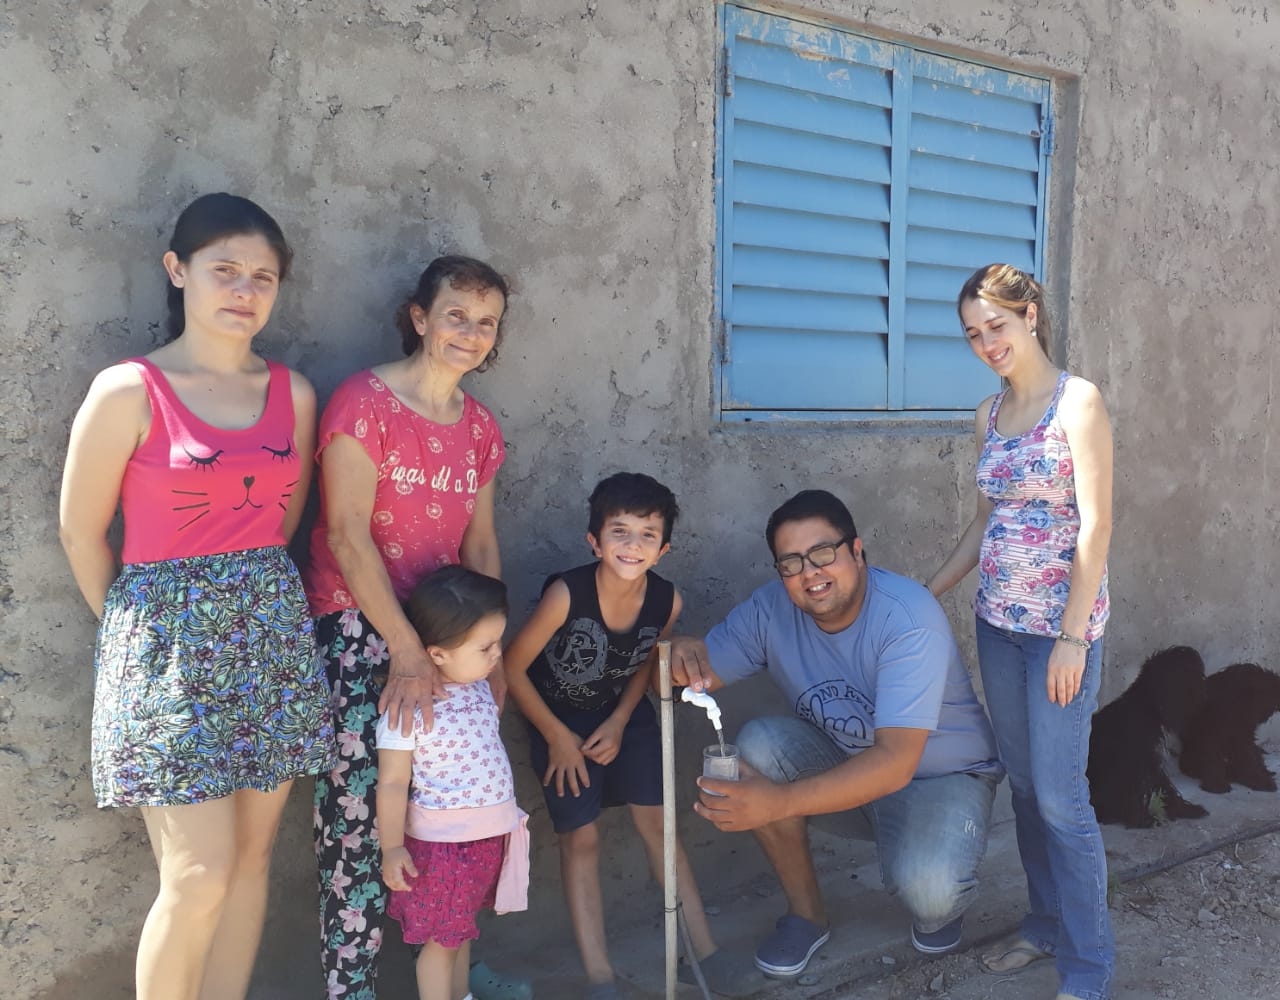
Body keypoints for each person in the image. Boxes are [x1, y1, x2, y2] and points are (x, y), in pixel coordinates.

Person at [58, 193, 336, 1000]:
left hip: (271, 641)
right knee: (197, 873)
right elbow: (80, 533)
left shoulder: (295, 393)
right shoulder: (128, 390)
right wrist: (136, 643)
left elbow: (283, 523)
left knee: (249, 862)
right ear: (178, 271)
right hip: (165, 654)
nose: (244, 290)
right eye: (225, 270)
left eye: (262, 277)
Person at [303, 256, 530, 1000]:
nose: (470, 332)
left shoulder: (480, 428)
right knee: (362, 818)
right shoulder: (362, 404)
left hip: (452, 642)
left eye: (486, 322)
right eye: (455, 314)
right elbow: (346, 535)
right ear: (420, 316)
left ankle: (454, 956)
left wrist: (493, 662)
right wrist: (404, 648)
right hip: (365, 634)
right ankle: (353, 986)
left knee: (457, 808)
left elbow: (482, 545)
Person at [669, 489, 1004, 979]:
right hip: (847, 764)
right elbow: (688, 675)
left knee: (932, 892)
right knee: (758, 745)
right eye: (791, 563)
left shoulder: (907, 617)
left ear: (857, 551)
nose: (810, 573)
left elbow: (895, 762)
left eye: (823, 553)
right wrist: (673, 649)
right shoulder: (770, 611)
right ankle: (806, 917)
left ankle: (934, 883)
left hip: (940, 778)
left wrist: (777, 803)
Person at [927, 263, 1114, 1000]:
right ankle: (1044, 926)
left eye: (996, 326)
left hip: (1058, 636)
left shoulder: (1078, 402)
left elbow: (1095, 527)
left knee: (1063, 800)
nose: (987, 343)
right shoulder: (988, 414)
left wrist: (1072, 637)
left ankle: (1088, 969)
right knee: (1029, 790)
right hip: (997, 627)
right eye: (973, 334)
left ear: (1030, 315)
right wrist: (929, 591)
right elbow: (986, 523)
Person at [503, 473, 763, 1000]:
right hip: (558, 725)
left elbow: (645, 664)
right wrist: (556, 736)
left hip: (627, 717)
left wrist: (621, 721)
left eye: (647, 534)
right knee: (581, 839)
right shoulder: (566, 594)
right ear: (594, 541)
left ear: (663, 549)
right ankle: (600, 977)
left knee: (662, 828)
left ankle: (702, 954)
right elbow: (512, 666)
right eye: (619, 531)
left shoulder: (667, 601)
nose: (633, 544)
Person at [377, 566, 529, 1000]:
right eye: (485, 647)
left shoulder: (479, 687)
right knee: (441, 943)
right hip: (442, 850)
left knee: (460, 934)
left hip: (484, 840)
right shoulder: (407, 707)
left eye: (497, 642)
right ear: (438, 654)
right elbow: (392, 782)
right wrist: (392, 847)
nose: (497, 654)